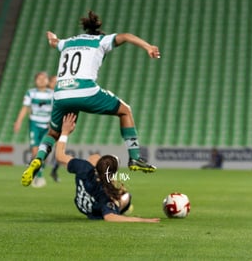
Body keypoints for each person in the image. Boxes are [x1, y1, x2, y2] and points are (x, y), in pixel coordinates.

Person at [21, 11, 160, 186]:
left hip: (60, 93)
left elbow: (53, 42)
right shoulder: (101, 40)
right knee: (125, 111)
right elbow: (125, 36)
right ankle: (135, 158)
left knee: (53, 133)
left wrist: (52, 37)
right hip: (84, 89)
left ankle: (38, 159)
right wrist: (148, 46)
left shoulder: (68, 42)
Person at [55, 113, 160, 222]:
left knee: (94, 157)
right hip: (92, 210)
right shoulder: (105, 194)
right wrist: (143, 220)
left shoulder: (83, 167)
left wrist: (64, 132)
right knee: (126, 197)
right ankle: (122, 207)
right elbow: (109, 217)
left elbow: (59, 156)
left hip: (80, 201)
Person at [14, 72, 60, 186]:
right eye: (39, 78)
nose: (41, 80)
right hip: (34, 124)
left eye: (44, 78)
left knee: (43, 151)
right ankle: (38, 176)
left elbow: (56, 110)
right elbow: (25, 108)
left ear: (47, 81)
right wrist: (18, 121)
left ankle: (38, 173)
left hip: (47, 126)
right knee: (35, 151)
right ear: (35, 80)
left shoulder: (52, 94)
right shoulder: (31, 93)